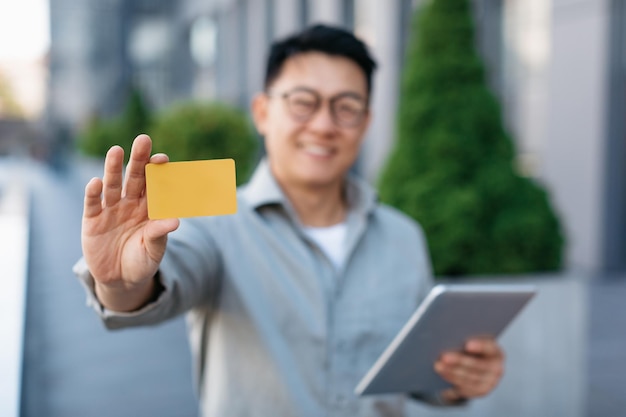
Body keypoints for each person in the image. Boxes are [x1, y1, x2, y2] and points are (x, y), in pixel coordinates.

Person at [74, 24, 504, 416]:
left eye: (347, 107)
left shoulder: (402, 236)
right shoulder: (218, 225)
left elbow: (413, 372)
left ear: (366, 122)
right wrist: (119, 282)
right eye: (303, 103)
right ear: (262, 112)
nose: (323, 124)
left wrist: (455, 381)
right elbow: (156, 286)